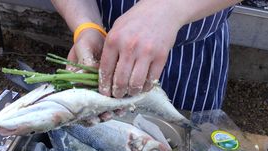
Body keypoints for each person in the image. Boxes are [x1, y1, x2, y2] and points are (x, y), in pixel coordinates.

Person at [51, 0, 240, 114]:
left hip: (192, 58)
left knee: (184, 147)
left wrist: (169, 8)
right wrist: (86, 26)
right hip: (104, 47)